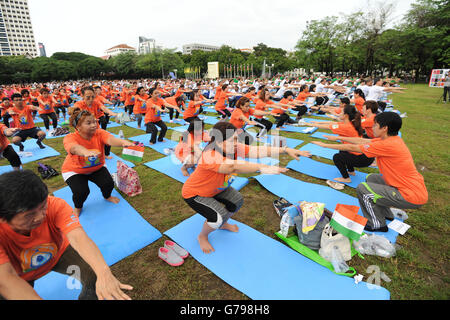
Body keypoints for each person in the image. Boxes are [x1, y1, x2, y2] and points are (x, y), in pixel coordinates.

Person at [0, 170, 133, 300]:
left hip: (58, 254)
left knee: (95, 275)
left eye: (43, 206)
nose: (41, 216)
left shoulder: (55, 205)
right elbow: (6, 278)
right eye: (29, 215)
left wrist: (104, 272)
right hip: (17, 274)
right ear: (3, 217)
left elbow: (78, 237)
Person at [182, 121, 312, 254]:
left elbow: (259, 151)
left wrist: (285, 150)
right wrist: (263, 167)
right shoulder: (210, 154)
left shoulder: (233, 147)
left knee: (237, 201)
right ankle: (202, 236)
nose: (237, 142)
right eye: (233, 140)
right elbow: (232, 166)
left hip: (217, 188)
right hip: (196, 193)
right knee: (217, 217)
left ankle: (222, 224)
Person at [311, 112, 428, 232]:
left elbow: (352, 148)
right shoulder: (391, 139)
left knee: (363, 189)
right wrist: (337, 138)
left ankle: (377, 224)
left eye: (375, 125)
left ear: (384, 128)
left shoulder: (388, 144)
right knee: (372, 178)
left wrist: (325, 145)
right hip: (409, 187)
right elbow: (361, 141)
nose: (372, 127)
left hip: (411, 196)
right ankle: (386, 213)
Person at [62, 107, 135, 216]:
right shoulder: (70, 137)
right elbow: (74, 148)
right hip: (74, 170)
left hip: (96, 168)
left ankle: (107, 196)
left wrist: (123, 142)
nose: (93, 125)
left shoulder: (99, 133)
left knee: (108, 183)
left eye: (94, 122)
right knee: (81, 191)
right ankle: (78, 207)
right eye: (88, 123)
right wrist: (85, 151)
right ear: (78, 127)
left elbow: (110, 139)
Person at [306, 105, 374, 184]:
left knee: (337, 157)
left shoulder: (346, 127)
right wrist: (317, 123)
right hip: (365, 155)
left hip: (363, 159)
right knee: (342, 151)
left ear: (346, 115)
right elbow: (333, 123)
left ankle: (346, 178)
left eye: (341, 112)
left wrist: (323, 144)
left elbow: (329, 126)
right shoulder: (351, 123)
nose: (339, 113)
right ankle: (351, 171)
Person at [75, 87, 117, 160]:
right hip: (83, 130)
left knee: (108, 137)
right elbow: (77, 114)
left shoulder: (96, 102)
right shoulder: (78, 104)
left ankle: (106, 154)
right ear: (82, 96)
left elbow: (103, 108)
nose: (91, 99)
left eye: (92, 97)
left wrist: (111, 113)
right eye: (88, 97)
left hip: (95, 128)